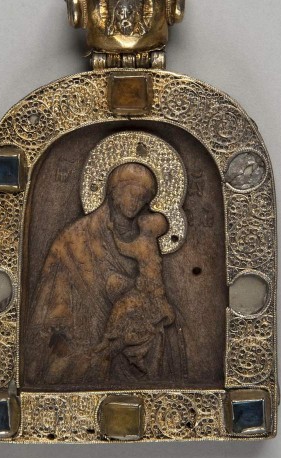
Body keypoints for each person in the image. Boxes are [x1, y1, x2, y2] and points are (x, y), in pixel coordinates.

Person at [24, 163, 181, 387]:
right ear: (113, 192)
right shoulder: (75, 238)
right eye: (131, 194)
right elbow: (53, 306)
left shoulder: (146, 239)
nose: (135, 203)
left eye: (142, 199)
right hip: (81, 336)